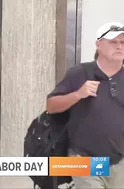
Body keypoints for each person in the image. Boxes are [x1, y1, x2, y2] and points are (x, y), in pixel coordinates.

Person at [46, 22, 124, 188]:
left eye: (123, 42)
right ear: (99, 45)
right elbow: (51, 106)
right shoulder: (79, 73)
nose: (119, 46)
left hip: (120, 162)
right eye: (113, 42)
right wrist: (78, 94)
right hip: (84, 159)